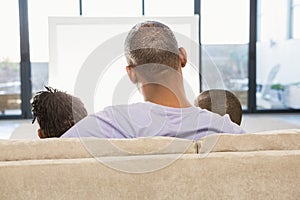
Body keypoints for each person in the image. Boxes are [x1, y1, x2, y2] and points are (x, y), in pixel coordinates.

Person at [61, 21, 245, 140]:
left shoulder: (107, 124)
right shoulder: (227, 131)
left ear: (131, 73)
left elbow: (52, 153)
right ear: (182, 56)